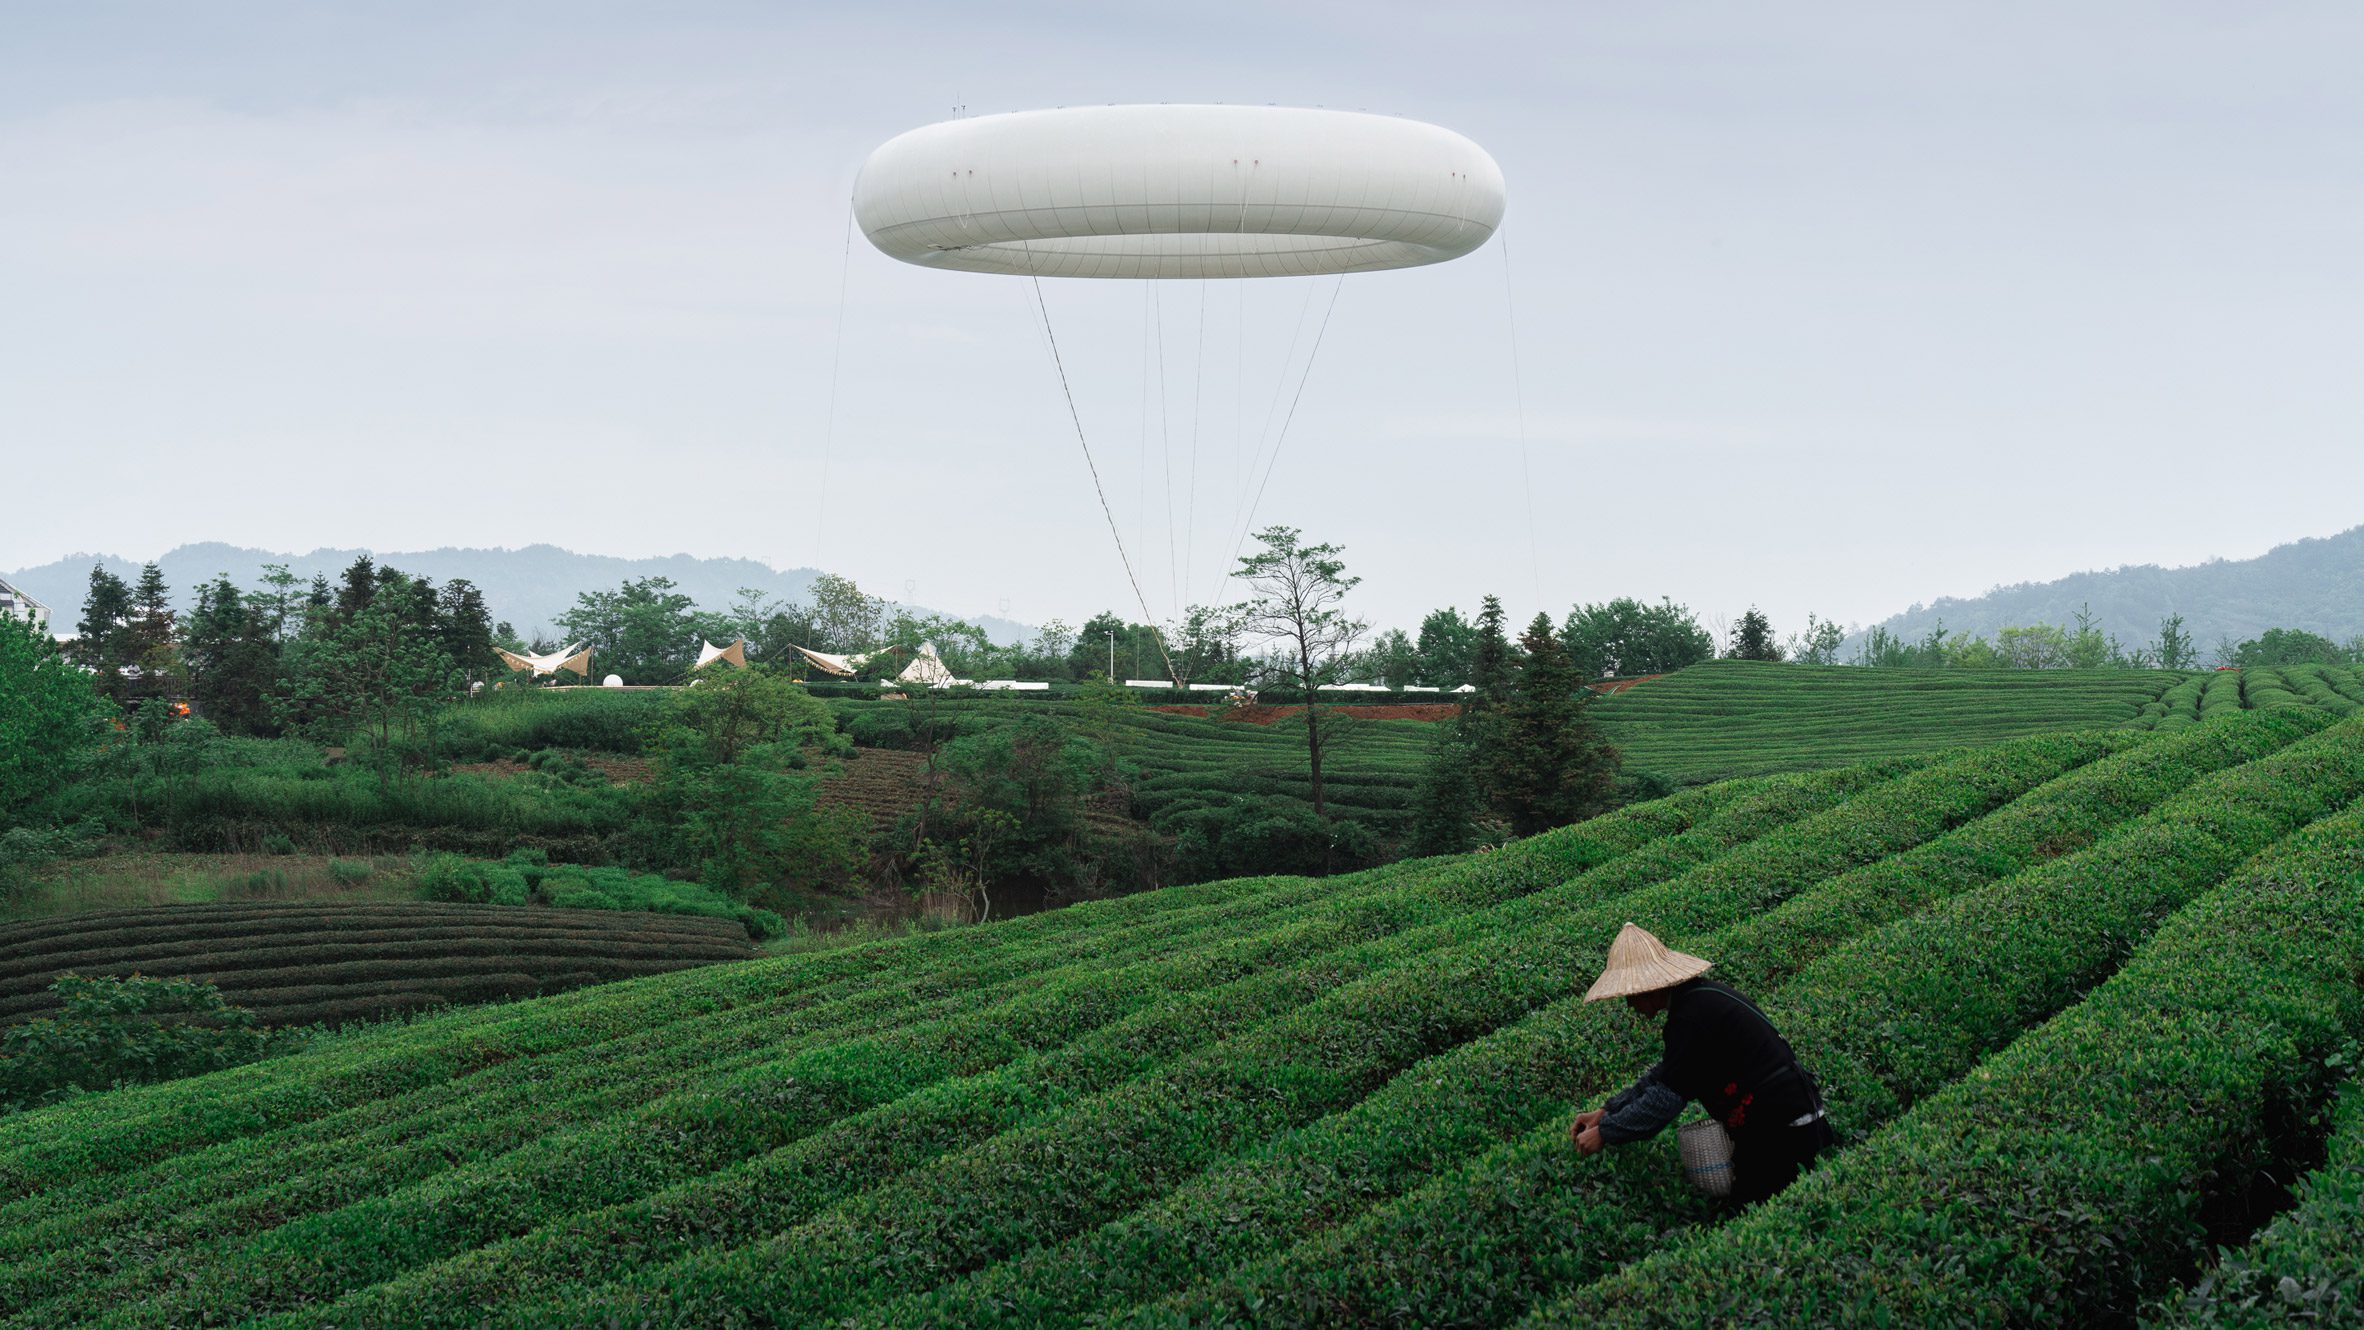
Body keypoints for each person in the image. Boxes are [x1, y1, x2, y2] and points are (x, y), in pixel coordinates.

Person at [1568, 922, 1832, 1204]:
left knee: (1755, 1210)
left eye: (1631, 995)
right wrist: (1607, 1110)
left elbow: (1663, 1102)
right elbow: (1666, 1075)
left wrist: (1606, 1134)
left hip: (1782, 1130)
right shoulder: (1699, 1001)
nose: (1630, 1005)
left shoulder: (1689, 1018)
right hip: (1792, 1117)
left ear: (1651, 990)